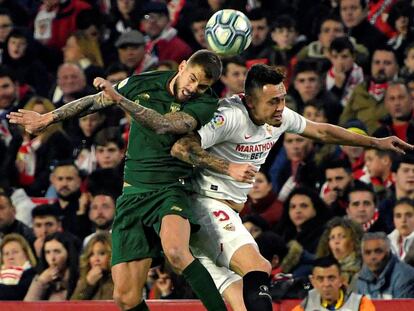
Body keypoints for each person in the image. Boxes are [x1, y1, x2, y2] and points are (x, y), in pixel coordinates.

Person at [170, 64, 412, 310]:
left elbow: (322, 132)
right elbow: (181, 147)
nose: (281, 107)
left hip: (222, 212)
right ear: (250, 102)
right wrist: (227, 167)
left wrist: (376, 142)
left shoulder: (279, 117)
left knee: (240, 298)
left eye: (283, 98)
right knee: (258, 267)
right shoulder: (229, 116)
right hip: (205, 204)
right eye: (273, 101)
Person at [8, 49, 226, 311]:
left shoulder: (207, 103)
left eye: (202, 86)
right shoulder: (146, 82)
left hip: (171, 189)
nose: (194, 88)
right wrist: (48, 118)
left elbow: (165, 125)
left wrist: (121, 100)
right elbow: (94, 102)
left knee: (177, 252)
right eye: (192, 79)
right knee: (125, 298)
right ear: (181, 67)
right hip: (133, 194)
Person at [292, 256, 375, 311]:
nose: (326, 284)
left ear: (341, 279)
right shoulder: (306, 306)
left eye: (331, 278)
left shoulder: (360, 304)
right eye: (320, 279)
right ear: (313, 281)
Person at [24, 232, 79, 301]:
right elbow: (28, 307)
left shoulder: (79, 278)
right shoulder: (41, 277)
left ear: (69, 253)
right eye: (47, 252)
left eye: (57, 251)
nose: (52, 258)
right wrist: (41, 282)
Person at [357, 232, 414, 298]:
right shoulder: (360, 279)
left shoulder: (405, 276)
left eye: (378, 251)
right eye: (367, 253)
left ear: (388, 252)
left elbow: (403, 308)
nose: (373, 257)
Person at [71, 232, 113, 300]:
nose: (96, 259)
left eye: (102, 253)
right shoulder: (85, 279)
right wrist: (88, 284)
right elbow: (72, 307)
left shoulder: (119, 281)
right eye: (91, 254)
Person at [0, 233, 37, 300]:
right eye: (6, 254)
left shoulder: (32, 275)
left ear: (26, 254)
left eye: (15, 252)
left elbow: (16, 294)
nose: (10, 257)